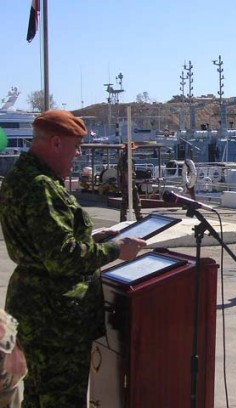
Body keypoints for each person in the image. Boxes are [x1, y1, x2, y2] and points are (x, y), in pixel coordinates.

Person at [0, 110, 147, 407]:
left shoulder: (20, 177)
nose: (78, 154)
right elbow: (61, 258)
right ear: (55, 143)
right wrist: (117, 250)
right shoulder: (41, 185)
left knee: (37, 397)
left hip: (35, 310)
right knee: (60, 399)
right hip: (55, 320)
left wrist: (89, 240)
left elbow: (43, 244)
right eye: (75, 146)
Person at [117, 142, 143, 222]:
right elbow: (126, 172)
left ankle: (124, 219)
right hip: (128, 183)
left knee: (127, 202)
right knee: (132, 201)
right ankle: (138, 217)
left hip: (126, 183)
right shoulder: (127, 159)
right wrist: (129, 186)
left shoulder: (123, 158)